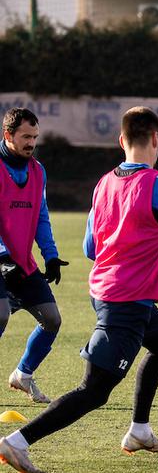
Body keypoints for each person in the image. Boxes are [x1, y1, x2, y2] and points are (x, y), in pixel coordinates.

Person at [0, 106, 158, 473]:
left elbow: (91, 247)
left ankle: (139, 431)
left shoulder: (104, 183)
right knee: (94, 391)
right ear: (156, 139)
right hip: (125, 300)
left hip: (109, 292)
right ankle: (17, 441)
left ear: (121, 140)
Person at [0, 107, 69, 404]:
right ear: (8, 135)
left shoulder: (37, 171)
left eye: (35, 137)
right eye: (25, 137)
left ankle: (23, 375)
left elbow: (41, 217)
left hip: (21, 263)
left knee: (52, 319)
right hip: (2, 261)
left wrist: (50, 256)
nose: (31, 143)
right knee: (0, 314)